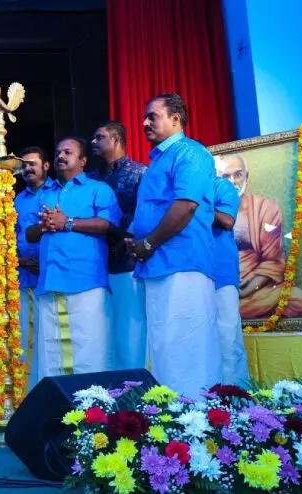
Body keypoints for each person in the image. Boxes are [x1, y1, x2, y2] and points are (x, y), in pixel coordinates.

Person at [127, 93, 222, 397]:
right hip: (156, 264)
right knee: (165, 347)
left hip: (183, 264)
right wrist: (136, 240)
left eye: (152, 116)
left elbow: (186, 205)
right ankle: (169, 417)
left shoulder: (190, 152)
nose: (144, 123)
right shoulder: (157, 161)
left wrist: (148, 243)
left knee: (187, 348)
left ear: (175, 118)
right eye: (145, 117)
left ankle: (196, 417)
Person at [25, 137, 120, 379]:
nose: (60, 156)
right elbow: (29, 234)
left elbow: (108, 224)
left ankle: (93, 404)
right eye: (58, 152)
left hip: (87, 283)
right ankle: (56, 404)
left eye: (68, 152)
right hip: (49, 284)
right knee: (51, 356)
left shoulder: (98, 189)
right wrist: (45, 225)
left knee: (90, 352)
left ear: (83, 160)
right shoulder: (45, 194)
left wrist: (67, 222)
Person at [217, 154, 302, 318]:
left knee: (298, 299)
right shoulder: (209, 211)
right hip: (221, 287)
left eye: (238, 174)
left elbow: (273, 261)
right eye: (226, 176)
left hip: (255, 289)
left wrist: (246, 290)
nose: (233, 181)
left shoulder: (266, 209)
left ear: (247, 177)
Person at [90, 121, 147, 370]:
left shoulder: (140, 173)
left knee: (130, 332)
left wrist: (128, 237)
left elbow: (144, 214)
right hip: (94, 265)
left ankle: (133, 387)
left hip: (127, 262)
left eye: (99, 137)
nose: (93, 142)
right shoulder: (90, 179)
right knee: (99, 334)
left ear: (115, 140)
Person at [14, 146, 51, 389]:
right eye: (24, 165)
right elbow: (12, 235)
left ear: (46, 166)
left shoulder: (58, 193)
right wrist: (22, 261)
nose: (28, 169)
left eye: (32, 164)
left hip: (51, 279)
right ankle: (27, 394)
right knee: (26, 341)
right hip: (25, 277)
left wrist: (44, 263)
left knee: (50, 338)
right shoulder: (19, 199)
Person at [210, 172, 250, 384]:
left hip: (221, 272)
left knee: (227, 337)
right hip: (191, 271)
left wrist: (195, 203)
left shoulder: (220, 186)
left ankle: (234, 394)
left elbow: (227, 220)